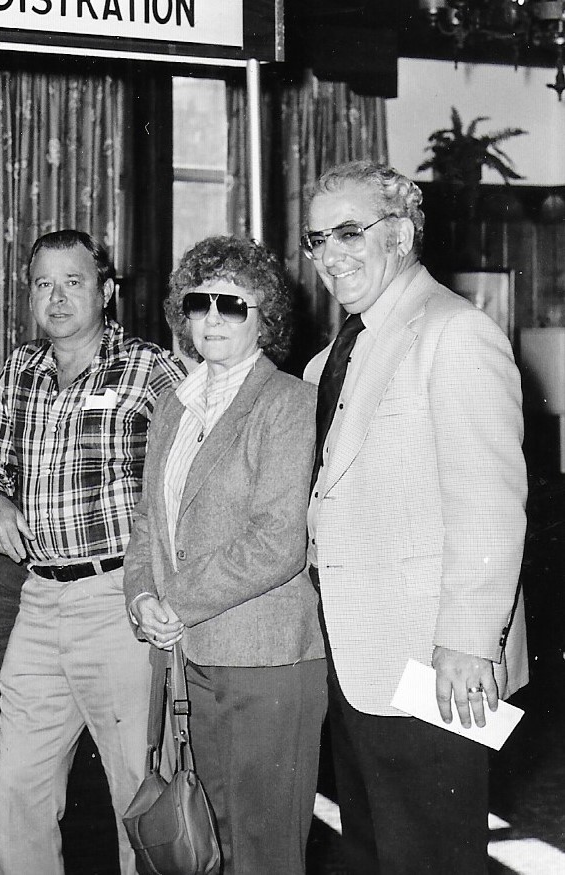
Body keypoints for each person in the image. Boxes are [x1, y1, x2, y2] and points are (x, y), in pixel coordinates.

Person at [303, 160, 528, 874]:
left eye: (348, 232)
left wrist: (467, 643)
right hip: (358, 654)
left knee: (431, 857)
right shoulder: (338, 351)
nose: (330, 254)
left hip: (436, 662)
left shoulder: (455, 333)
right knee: (374, 850)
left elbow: (489, 501)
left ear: (400, 235)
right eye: (317, 238)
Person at [0, 229, 186, 875]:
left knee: (137, 793)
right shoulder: (20, 369)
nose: (57, 297)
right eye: (43, 283)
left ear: (107, 289)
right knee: (19, 790)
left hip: (118, 601)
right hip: (38, 602)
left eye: (74, 281)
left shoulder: (151, 369)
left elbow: (194, 477)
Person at [123, 236, 326, 875]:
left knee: (262, 851)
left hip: (265, 659)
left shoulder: (287, 401)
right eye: (198, 302)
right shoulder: (173, 404)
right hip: (188, 654)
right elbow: (149, 524)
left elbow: (278, 541)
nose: (211, 317)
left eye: (231, 305)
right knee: (205, 848)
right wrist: (139, 599)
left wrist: (172, 601)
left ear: (265, 316)